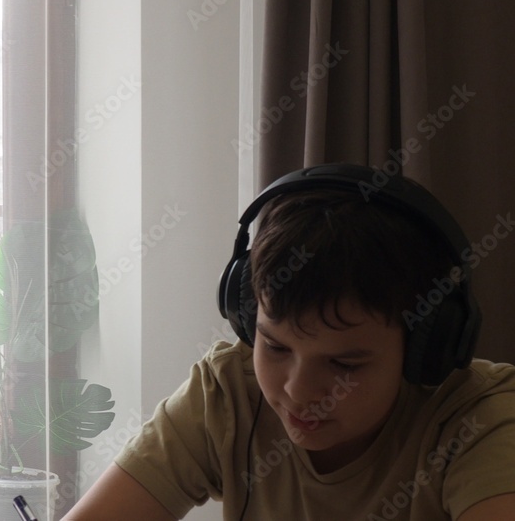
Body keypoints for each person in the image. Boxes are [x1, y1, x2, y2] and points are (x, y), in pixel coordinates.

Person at [63, 164, 515, 520]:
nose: (298, 391)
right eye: (276, 347)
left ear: (425, 349)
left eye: (345, 365)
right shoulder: (229, 392)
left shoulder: (482, 421)